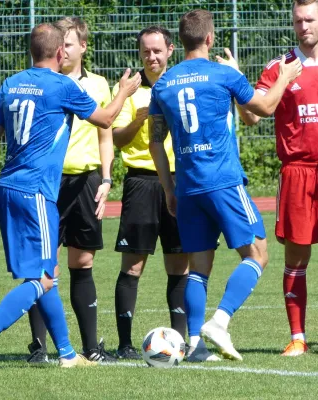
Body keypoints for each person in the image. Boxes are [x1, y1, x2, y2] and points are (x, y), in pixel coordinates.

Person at [0, 22, 141, 373]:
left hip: (9, 187)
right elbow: (105, 119)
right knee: (42, 277)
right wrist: (124, 91)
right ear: (60, 53)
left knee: (47, 273)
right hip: (36, 192)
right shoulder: (63, 85)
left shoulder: (11, 83)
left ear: (32, 50)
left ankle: (66, 353)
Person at [148, 9, 301, 361]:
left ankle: (195, 344)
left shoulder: (163, 84)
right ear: (210, 39)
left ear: (180, 41)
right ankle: (220, 320)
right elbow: (262, 108)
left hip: (186, 187)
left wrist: (168, 187)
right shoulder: (221, 74)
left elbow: (156, 140)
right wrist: (284, 75)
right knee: (258, 254)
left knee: (198, 267)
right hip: (223, 182)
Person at [111, 25, 207, 361]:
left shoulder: (180, 84)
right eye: (145, 52)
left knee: (179, 266)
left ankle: (178, 343)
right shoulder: (130, 88)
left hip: (180, 182)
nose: (151, 57)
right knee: (133, 266)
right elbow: (117, 138)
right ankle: (124, 344)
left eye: (157, 51)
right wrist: (139, 120)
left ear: (170, 50)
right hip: (141, 182)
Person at [25, 17, 116, 363]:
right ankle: (40, 348)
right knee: (44, 266)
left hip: (85, 182)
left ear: (83, 48)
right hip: (48, 183)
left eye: (71, 44)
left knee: (83, 261)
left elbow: (104, 134)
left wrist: (106, 179)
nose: (64, 50)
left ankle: (91, 347)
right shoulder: (42, 84)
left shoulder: (97, 84)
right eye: (61, 44)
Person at [236, 0, 318, 357]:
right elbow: (252, 117)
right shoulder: (280, 67)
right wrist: (237, 85)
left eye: (310, 20)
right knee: (296, 258)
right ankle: (298, 337)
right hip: (299, 172)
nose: (304, 27)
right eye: (298, 20)